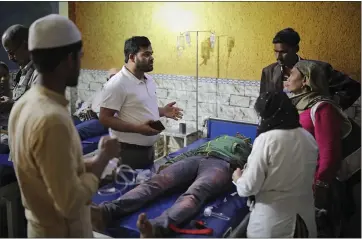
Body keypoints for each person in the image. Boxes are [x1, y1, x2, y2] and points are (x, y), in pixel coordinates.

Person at [7, 14, 120, 237]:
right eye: (80, 57)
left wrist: (87, 164)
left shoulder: (22, 106)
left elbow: (47, 170)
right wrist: (101, 161)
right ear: (70, 59)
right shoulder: (53, 119)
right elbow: (69, 204)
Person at [91, 134, 253, 237]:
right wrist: (171, 162)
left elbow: (253, 168)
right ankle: (107, 211)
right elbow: (191, 152)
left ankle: (156, 228)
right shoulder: (218, 139)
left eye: (244, 137)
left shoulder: (250, 150)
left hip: (224, 165)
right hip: (198, 158)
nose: (241, 136)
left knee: (195, 193)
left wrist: (241, 176)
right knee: (157, 181)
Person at [286, 60, 361, 237]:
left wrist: (321, 184)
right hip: (315, 173)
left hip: (331, 177)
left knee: (333, 220)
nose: (287, 78)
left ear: (306, 80)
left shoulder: (322, 107)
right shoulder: (302, 105)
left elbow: (329, 153)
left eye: (292, 75)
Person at [232, 91, 318, 238]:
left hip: (272, 224)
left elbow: (249, 187)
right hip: (304, 222)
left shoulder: (267, 140)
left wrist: (238, 178)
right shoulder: (308, 138)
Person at [99, 36, 183, 169]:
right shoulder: (117, 84)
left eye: (151, 54)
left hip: (148, 151)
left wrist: (162, 111)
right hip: (127, 152)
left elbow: (140, 108)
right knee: (130, 188)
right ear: (132, 57)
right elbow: (104, 118)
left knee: (145, 185)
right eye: (146, 54)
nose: (152, 58)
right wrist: (137, 129)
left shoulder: (148, 80)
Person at [260, 28, 360, 111]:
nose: (278, 57)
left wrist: (330, 106)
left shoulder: (318, 69)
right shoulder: (268, 71)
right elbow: (263, 102)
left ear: (296, 49)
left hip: (311, 129)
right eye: (275, 51)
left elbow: (354, 88)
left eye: (283, 52)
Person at [0, 25, 39, 156]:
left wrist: (11, 105)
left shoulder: (42, 72)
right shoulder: (22, 72)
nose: (10, 58)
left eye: (12, 52)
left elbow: (40, 111)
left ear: (25, 45)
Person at [73, 68, 120, 140]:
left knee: (75, 131)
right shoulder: (102, 89)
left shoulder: (121, 93)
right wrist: (80, 111)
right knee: (65, 126)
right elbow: (89, 101)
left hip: (102, 120)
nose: (113, 79)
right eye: (111, 77)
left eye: (116, 77)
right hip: (89, 115)